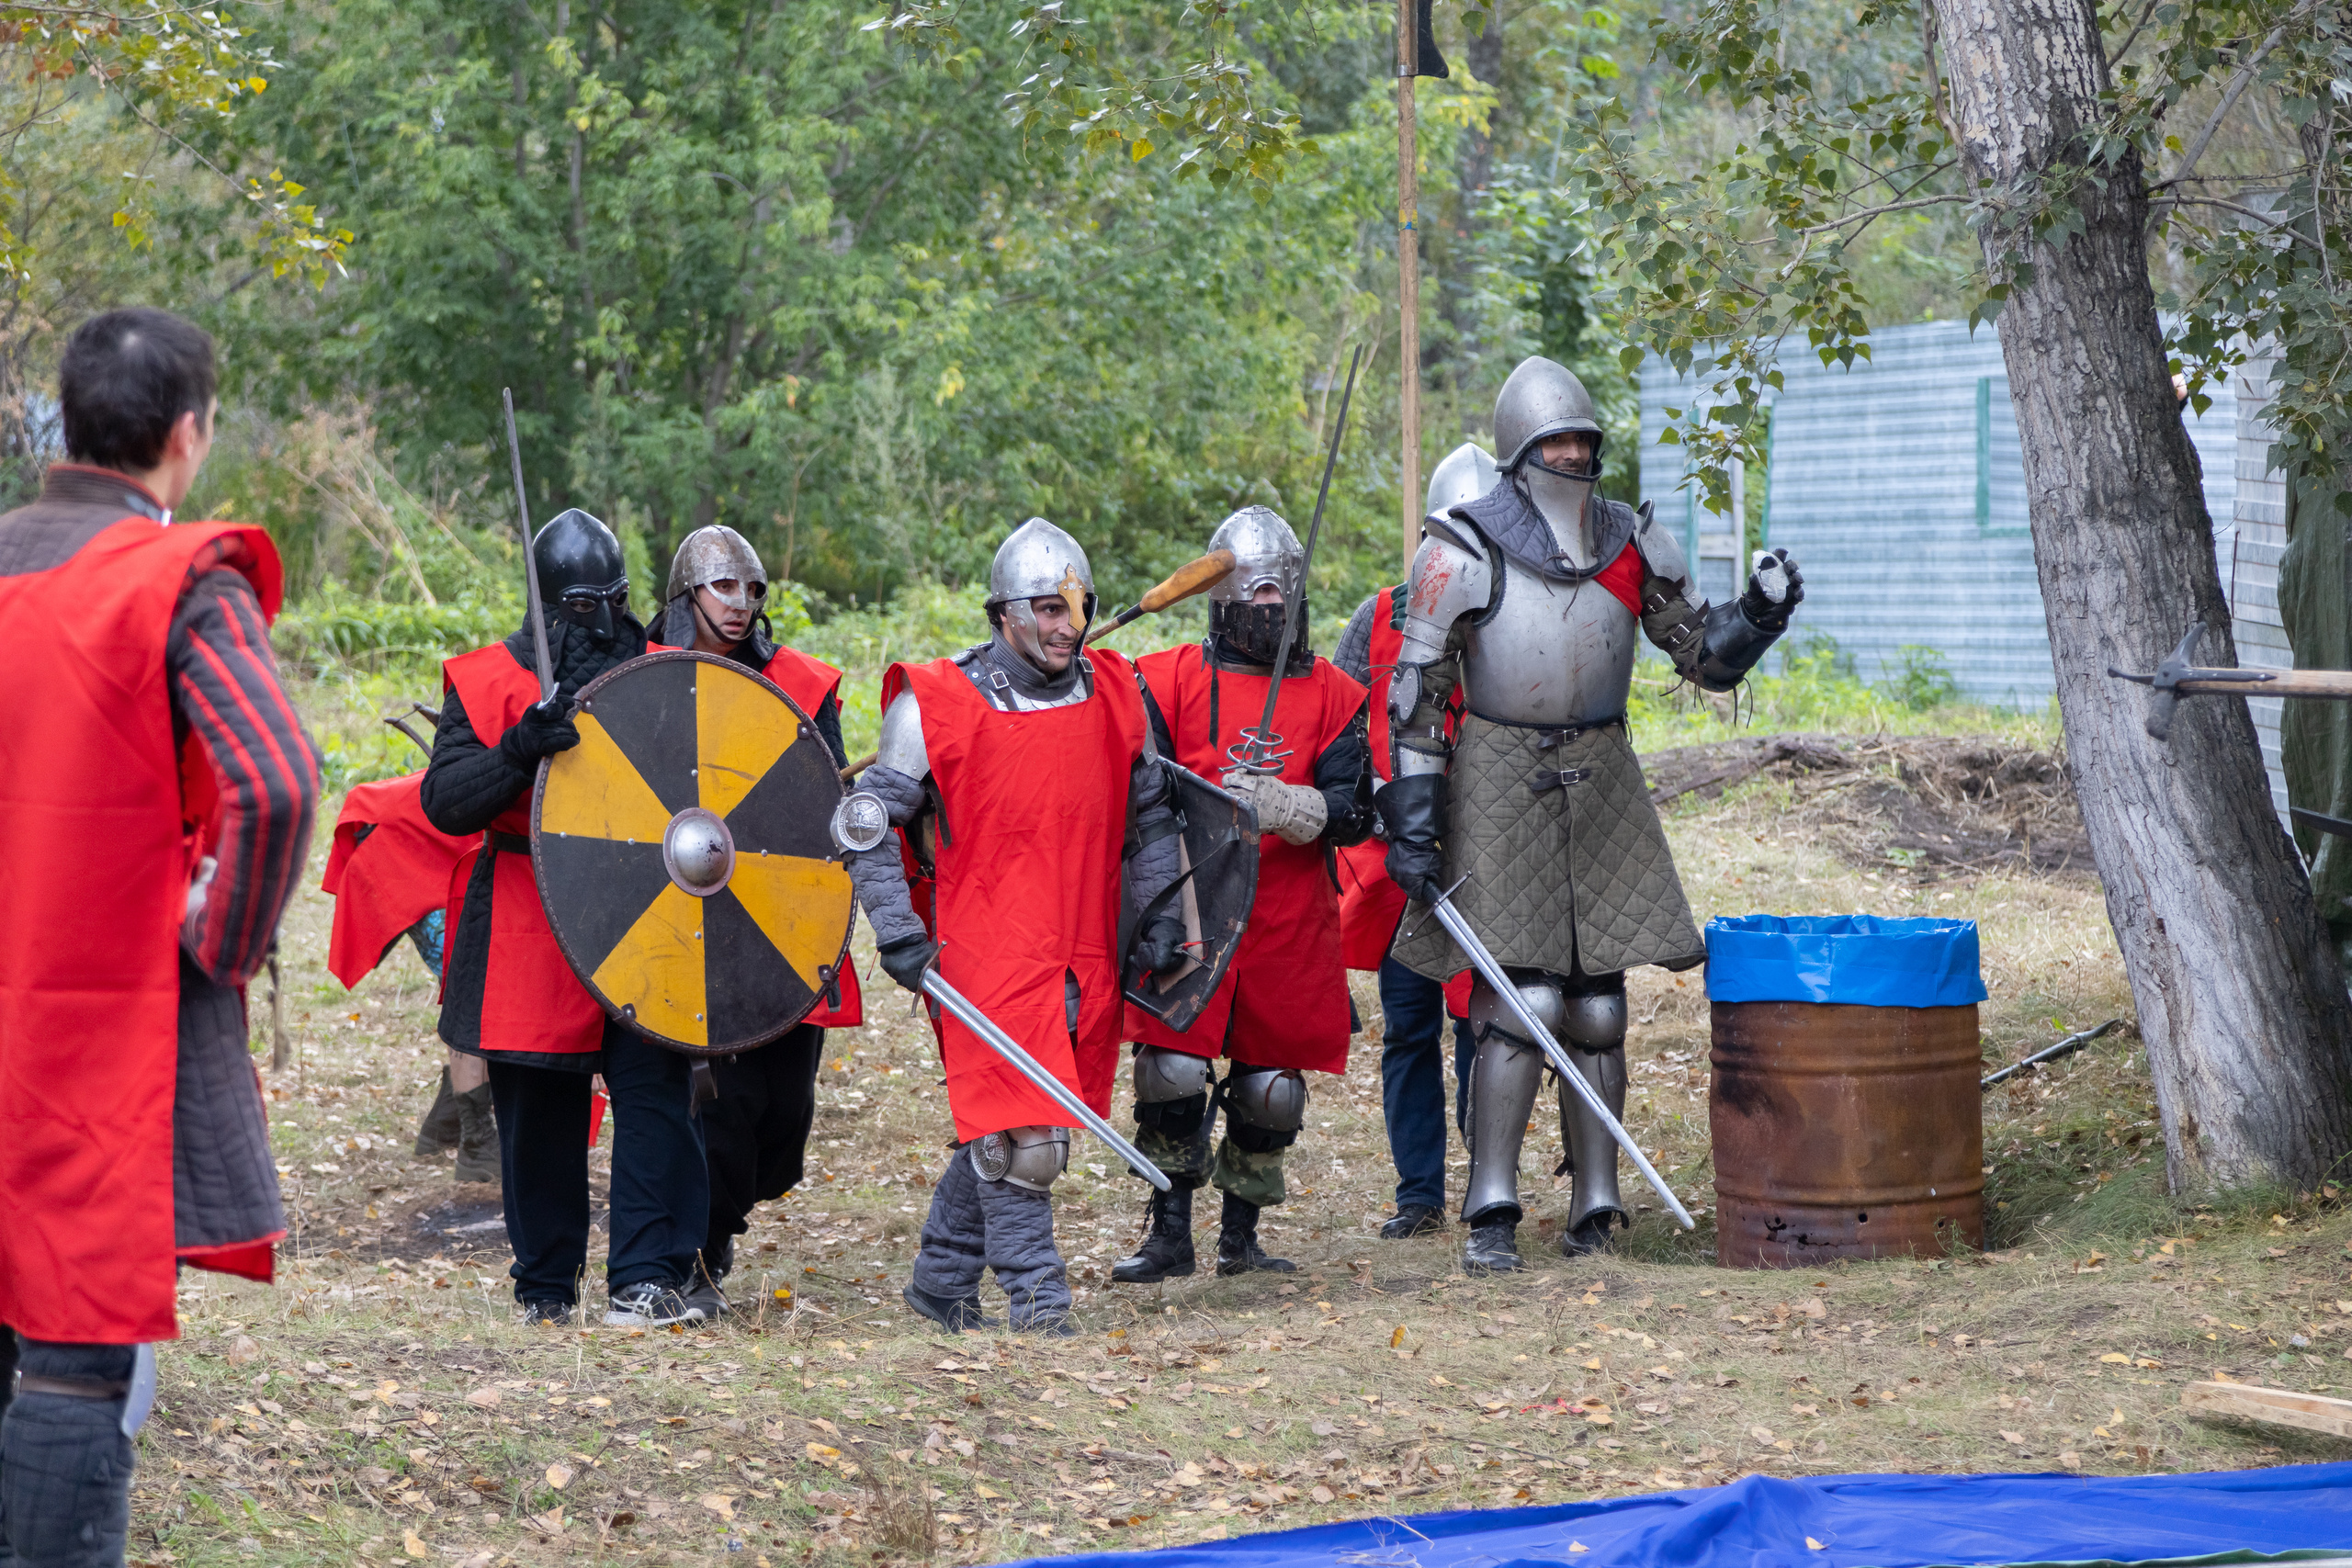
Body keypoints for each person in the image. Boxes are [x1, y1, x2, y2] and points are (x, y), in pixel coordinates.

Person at [0, 307, 319, 1565]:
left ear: (65, 425)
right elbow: (281, 781)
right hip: (91, 1020)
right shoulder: (179, 579)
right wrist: (220, 939)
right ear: (187, 437)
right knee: (75, 1347)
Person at [1378, 356, 1804, 1273]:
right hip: (1494, 775)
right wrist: (1413, 816)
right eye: (1556, 440)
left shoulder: (1627, 540)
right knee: (1519, 996)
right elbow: (1416, 694)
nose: (1573, 453)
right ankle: (1491, 1204)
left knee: (1599, 1002)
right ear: (1522, 450)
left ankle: (1596, 1204)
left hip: (1602, 773)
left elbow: (1703, 658)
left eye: (1583, 439)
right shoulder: (1462, 545)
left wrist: (1759, 615)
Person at [843, 518, 1183, 1335]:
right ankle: (1039, 1298)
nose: (1068, 622)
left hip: (1083, 943)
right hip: (985, 949)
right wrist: (895, 931)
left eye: (1079, 605)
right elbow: (862, 823)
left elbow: (1151, 817)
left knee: (1015, 1119)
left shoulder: (1112, 691)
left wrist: (1164, 911)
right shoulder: (939, 703)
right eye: (1047, 606)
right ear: (1004, 613)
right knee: (1026, 1136)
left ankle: (941, 1277)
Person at [420, 507, 712, 1327]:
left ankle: (644, 1278)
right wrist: (519, 747)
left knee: (654, 1093)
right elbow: (445, 802)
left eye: (616, 599)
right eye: (586, 603)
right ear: (550, 603)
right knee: (540, 1115)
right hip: (531, 909)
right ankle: (546, 1286)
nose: (606, 617)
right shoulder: (485, 679)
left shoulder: (665, 670)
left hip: (648, 906)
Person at [1110, 506, 1373, 1283]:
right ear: (1222, 600)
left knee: (1272, 1087)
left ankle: (1241, 1236)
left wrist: (1286, 803)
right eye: (1253, 595)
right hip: (1191, 902)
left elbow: (1354, 812)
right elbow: (1139, 791)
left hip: (1289, 917)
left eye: (1278, 596)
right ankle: (1168, 1231)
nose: (1267, 610)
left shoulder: (1335, 694)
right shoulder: (1166, 679)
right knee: (1172, 1069)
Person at [654, 525, 866, 1317]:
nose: (740, 605)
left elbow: (831, 798)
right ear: (686, 595)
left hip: (779, 913)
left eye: (751, 590)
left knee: (783, 1117)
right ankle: (701, 1248)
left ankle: (727, 1214)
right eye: (722, 588)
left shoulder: (801, 685)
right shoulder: (647, 676)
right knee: (719, 1101)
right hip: (681, 917)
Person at [1332, 444, 1495, 1241]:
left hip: (1485, 852)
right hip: (1399, 855)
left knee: (1481, 1022)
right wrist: (1366, 808)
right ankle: (1419, 1192)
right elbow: (1338, 726)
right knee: (1409, 1024)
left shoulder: (1509, 614)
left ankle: (1485, 1183)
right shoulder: (1380, 614)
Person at [320, 770, 496, 1182]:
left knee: (478, 992)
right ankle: (478, 1147)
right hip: (401, 855)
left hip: (420, 845)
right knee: (469, 993)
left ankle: (446, 1124)